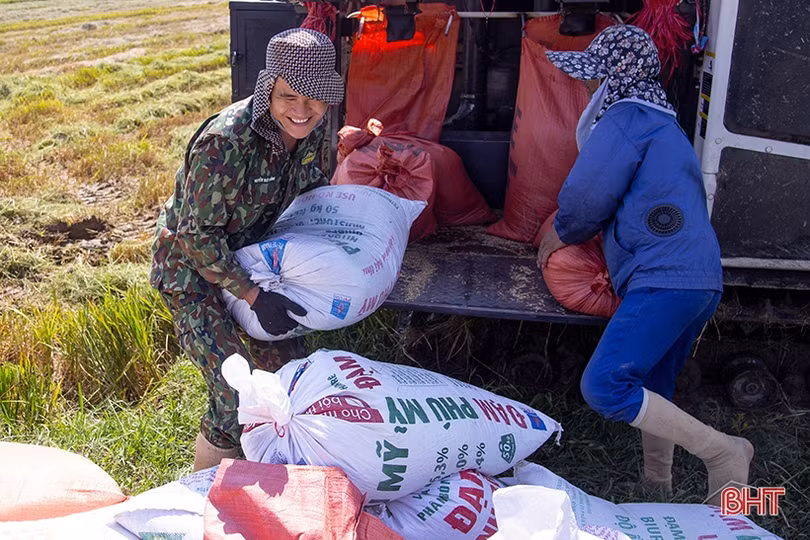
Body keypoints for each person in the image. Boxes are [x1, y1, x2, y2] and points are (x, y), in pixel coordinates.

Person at [536, 25, 754, 505]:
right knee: (654, 381)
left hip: (665, 277)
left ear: (613, 79)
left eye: (594, 79)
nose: (590, 89)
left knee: (605, 386)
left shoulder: (627, 118)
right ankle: (658, 486)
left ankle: (724, 452)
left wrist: (562, 232)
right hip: (699, 280)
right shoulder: (664, 123)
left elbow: (589, 191)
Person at [150, 28, 343, 471]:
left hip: (251, 261)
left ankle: (274, 488)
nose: (301, 111)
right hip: (191, 273)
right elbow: (195, 237)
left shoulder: (309, 130)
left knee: (288, 383)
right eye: (288, 97)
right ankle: (202, 505)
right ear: (268, 89)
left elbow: (309, 193)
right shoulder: (226, 143)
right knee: (232, 393)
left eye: (313, 99)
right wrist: (253, 295)